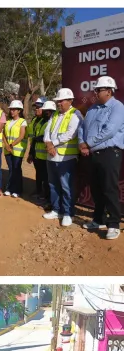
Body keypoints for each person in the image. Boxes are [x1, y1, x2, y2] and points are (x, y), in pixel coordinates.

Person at [79, 76, 124, 241]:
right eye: (95, 90)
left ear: (109, 91)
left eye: (99, 90)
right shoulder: (92, 109)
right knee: (96, 189)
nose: (96, 93)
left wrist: (88, 143)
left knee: (109, 188)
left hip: (110, 153)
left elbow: (109, 131)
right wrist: (81, 142)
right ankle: (98, 220)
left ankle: (114, 224)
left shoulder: (118, 107)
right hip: (93, 154)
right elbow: (83, 128)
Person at [43, 88, 83, 228]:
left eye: (61, 101)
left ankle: (68, 213)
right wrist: (48, 143)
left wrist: (52, 144)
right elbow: (47, 131)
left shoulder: (75, 114)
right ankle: (56, 210)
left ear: (70, 101)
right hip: (51, 156)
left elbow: (71, 133)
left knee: (66, 187)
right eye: (58, 101)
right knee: (53, 184)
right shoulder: (55, 114)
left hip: (66, 157)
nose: (59, 103)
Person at [27, 97, 52, 208]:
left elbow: (46, 136)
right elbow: (33, 138)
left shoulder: (49, 120)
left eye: (38, 107)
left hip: (46, 154)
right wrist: (31, 153)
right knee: (39, 173)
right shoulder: (36, 120)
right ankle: (38, 191)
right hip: (36, 152)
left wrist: (38, 139)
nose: (36, 109)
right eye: (35, 108)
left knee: (46, 177)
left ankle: (45, 196)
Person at [2, 100, 27, 198]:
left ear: (19, 111)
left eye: (14, 109)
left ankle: (17, 189)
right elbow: (3, 134)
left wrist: (11, 145)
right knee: (11, 169)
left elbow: (21, 136)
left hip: (17, 150)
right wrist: (6, 145)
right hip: (7, 150)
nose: (12, 111)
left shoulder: (22, 122)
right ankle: (9, 188)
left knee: (16, 170)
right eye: (11, 109)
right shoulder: (8, 122)